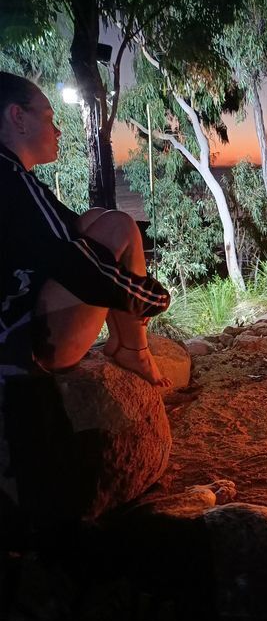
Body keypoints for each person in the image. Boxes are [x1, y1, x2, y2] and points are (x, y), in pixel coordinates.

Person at [0, 71, 171, 387]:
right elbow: (76, 265)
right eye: (50, 119)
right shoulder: (12, 181)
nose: (58, 131)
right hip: (22, 347)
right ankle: (135, 350)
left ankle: (124, 342)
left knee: (94, 218)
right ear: (18, 118)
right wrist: (149, 296)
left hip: (14, 328)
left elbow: (71, 231)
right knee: (119, 225)